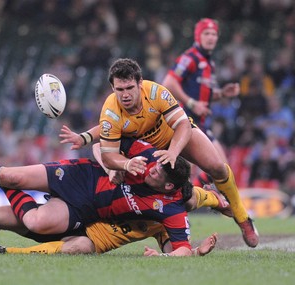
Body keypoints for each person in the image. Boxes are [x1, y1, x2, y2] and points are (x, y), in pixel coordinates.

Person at [59, 57, 258, 248]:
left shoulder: (156, 93)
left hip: (173, 138)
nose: (125, 94)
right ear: (113, 88)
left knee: (217, 167)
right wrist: (87, 141)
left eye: (129, 88)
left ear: (140, 84)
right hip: (144, 152)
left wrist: (173, 152)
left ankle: (241, 216)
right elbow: (106, 130)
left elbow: (183, 125)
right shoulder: (111, 107)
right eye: (120, 89)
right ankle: (213, 200)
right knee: (184, 201)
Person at [0, 137, 209, 256]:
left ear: (169, 188)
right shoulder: (146, 154)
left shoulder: (170, 210)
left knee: (22, 219)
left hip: (84, 209)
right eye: (154, 165)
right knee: (11, 174)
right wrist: (110, 163)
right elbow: (103, 142)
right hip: (81, 174)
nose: (151, 170)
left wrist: (184, 253)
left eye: (158, 174)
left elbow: (180, 245)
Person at [0, 196, 218, 257]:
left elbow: (173, 251)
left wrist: (194, 252)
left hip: (93, 241)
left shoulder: (169, 219)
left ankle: (6, 252)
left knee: (80, 247)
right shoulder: (132, 185)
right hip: (72, 217)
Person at [161, 18, 239, 167]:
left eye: (214, 34)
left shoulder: (209, 63)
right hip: (185, 122)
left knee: (220, 168)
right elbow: (168, 83)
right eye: (206, 33)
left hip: (199, 122)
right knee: (219, 167)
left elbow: (200, 95)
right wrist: (191, 103)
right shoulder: (190, 58)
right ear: (198, 36)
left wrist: (222, 93)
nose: (210, 37)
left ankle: (199, 190)